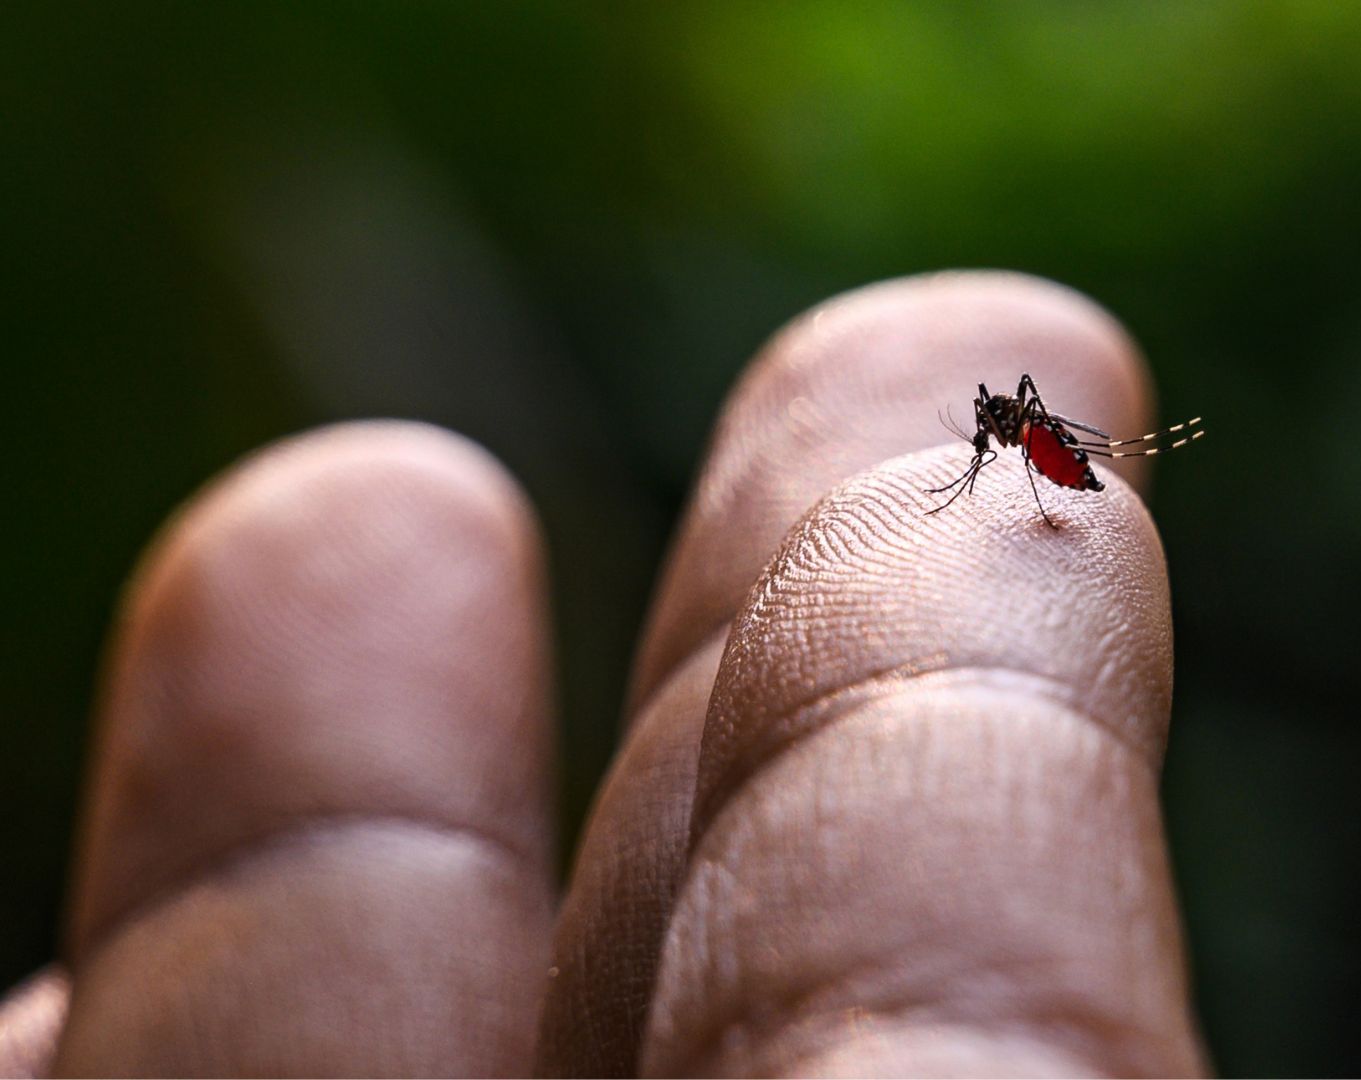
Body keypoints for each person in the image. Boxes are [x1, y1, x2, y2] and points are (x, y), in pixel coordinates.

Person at [0, 273, 1208, 1077]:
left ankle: (1107, 462)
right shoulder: (998, 427)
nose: (1000, 424)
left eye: (1002, 426)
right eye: (1007, 426)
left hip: (1059, 497)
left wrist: (1038, 464)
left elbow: (1018, 435)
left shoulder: (1024, 433)